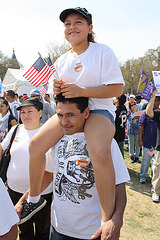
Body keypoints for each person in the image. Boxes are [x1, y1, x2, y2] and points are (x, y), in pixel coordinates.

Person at [27, 7, 124, 225]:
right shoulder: (61, 61)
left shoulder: (102, 51)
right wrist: (58, 90)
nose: (72, 27)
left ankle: (107, 218)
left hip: (98, 110)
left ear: (89, 28)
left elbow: (117, 88)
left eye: (78, 22)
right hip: (70, 113)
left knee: (98, 152)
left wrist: (81, 90)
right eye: (67, 24)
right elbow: (60, 100)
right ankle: (34, 200)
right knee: (34, 146)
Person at [20, 94, 130, 240]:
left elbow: (119, 186)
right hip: (59, 229)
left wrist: (116, 219)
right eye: (60, 115)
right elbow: (48, 175)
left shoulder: (104, 144)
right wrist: (23, 202)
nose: (64, 122)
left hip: (93, 232)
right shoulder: (56, 140)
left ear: (86, 113)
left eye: (70, 115)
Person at [0, 97, 53, 239]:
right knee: (23, 229)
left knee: (43, 229)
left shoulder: (48, 133)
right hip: (14, 191)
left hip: (41, 194)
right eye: (22, 112)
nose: (25, 115)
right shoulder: (15, 129)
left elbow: (50, 171)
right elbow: (2, 147)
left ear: (40, 112)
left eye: (30, 111)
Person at [139, 97, 160, 184]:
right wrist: (140, 140)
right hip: (148, 143)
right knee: (145, 161)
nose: (154, 103)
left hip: (157, 145)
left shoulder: (158, 113)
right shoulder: (145, 113)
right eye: (153, 101)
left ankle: (153, 178)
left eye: (156, 101)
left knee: (155, 163)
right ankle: (143, 176)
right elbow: (141, 126)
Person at [146, 91, 160, 202]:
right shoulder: (159, 113)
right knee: (157, 171)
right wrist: (152, 97)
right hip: (159, 148)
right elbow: (148, 112)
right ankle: (155, 192)